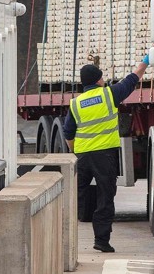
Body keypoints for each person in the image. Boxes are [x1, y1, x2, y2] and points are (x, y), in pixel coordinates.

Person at [63, 56, 148, 253]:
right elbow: (132, 79)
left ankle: (63, 238)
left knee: (76, 196)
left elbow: (68, 132)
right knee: (105, 197)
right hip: (105, 157)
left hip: (82, 156)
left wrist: (75, 150)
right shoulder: (109, 94)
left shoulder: (76, 103)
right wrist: (145, 62)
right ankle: (101, 240)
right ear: (99, 80)